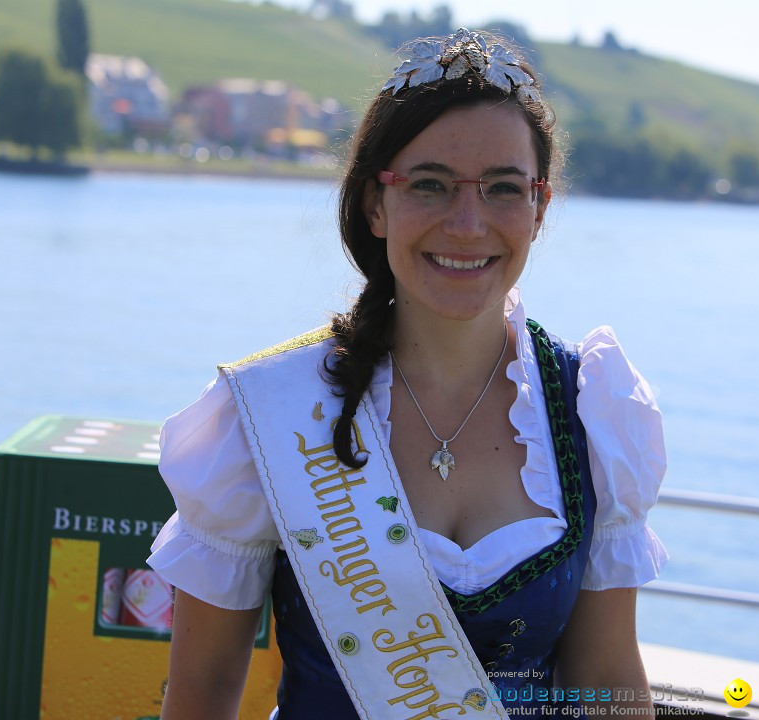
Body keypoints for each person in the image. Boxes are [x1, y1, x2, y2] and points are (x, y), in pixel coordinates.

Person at [147, 28, 667, 719]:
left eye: (503, 189)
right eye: (430, 184)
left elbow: (605, 685)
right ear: (375, 203)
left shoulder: (592, 412)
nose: (467, 222)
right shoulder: (272, 414)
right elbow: (202, 696)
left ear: (539, 209)